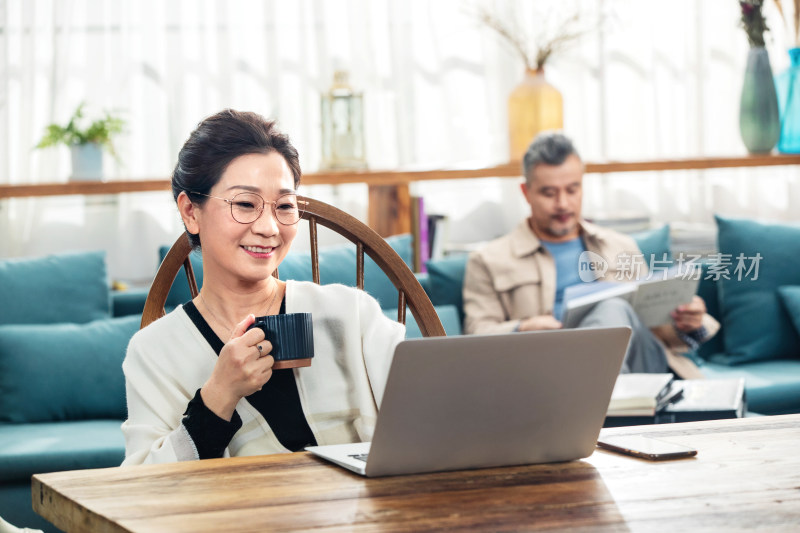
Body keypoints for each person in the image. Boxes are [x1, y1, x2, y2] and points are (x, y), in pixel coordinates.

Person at [121, 109, 405, 465]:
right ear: (191, 212)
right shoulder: (155, 350)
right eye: (244, 204)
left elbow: (428, 414)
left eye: (284, 206)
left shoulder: (350, 313)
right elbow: (143, 492)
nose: (270, 228)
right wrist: (218, 396)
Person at [462, 131, 718, 375]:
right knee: (610, 312)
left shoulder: (621, 247)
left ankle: (607, 406)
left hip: (637, 362)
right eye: (549, 193)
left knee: (612, 310)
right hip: (544, 368)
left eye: (572, 190)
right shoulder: (488, 260)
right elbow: (475, 334)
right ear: (526, 192)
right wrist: (523, 328)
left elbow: (654, 328)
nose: (562, 203)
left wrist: (686, 323)